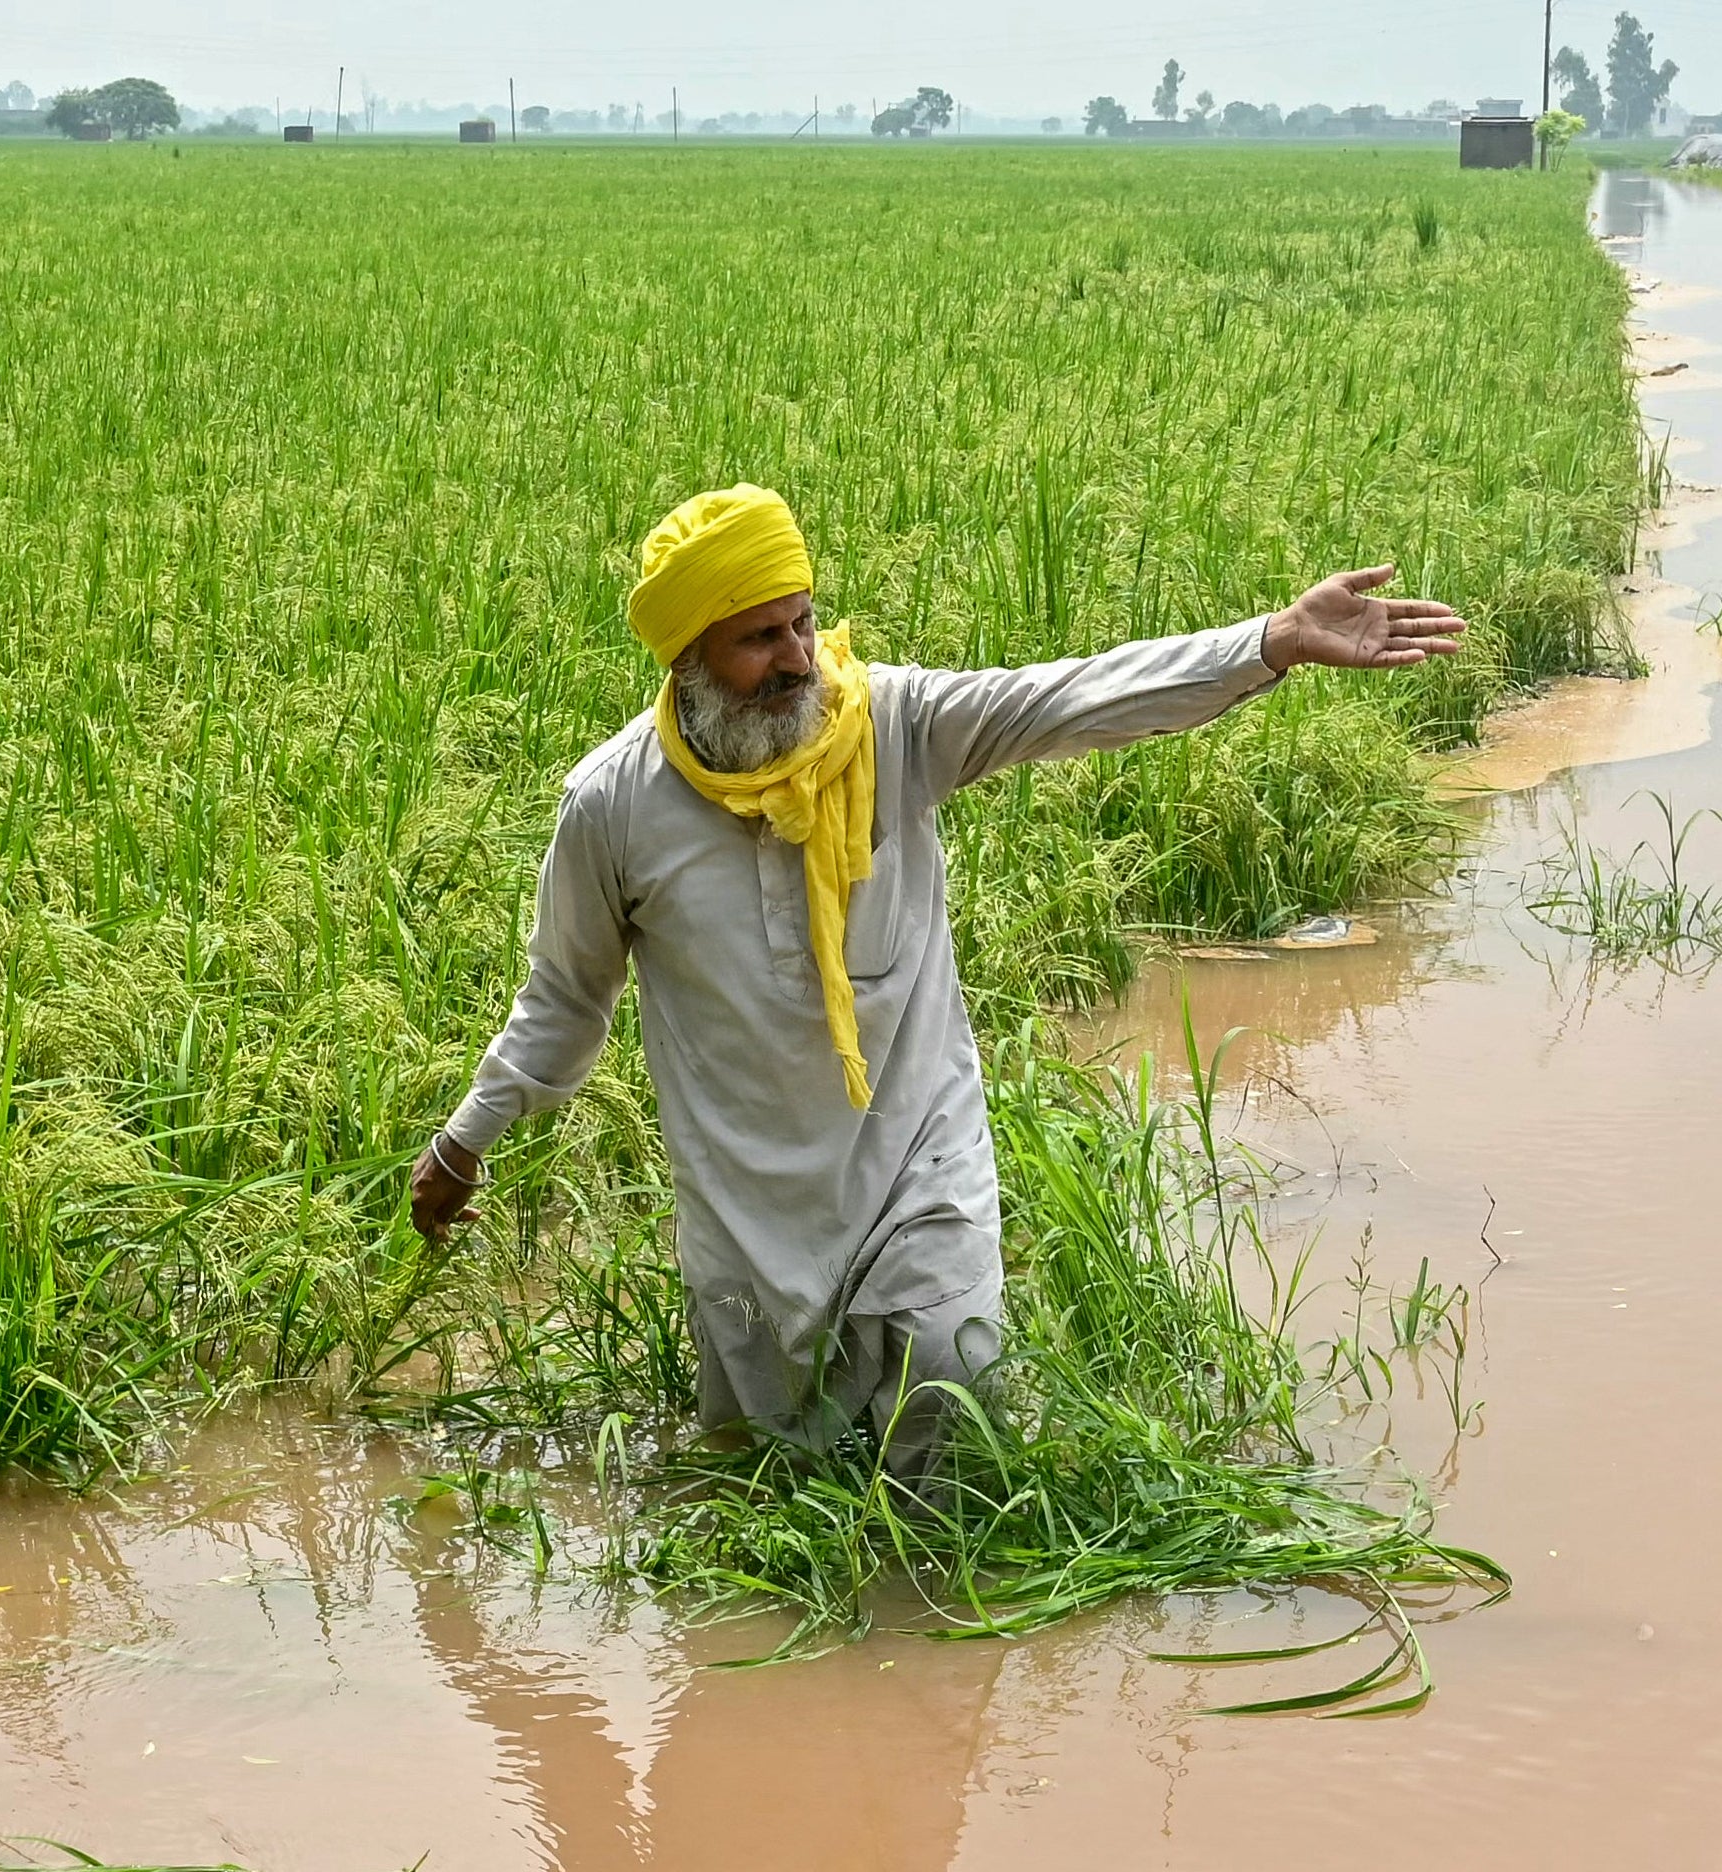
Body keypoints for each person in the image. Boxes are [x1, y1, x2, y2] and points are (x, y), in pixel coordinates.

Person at [407, 483, 1463, 1473]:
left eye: (801, 622)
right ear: (687, 655)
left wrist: (1269, 642)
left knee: (951, 1428)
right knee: (767, 1488)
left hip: (917, 1164)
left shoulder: (893, 727)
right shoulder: (611, 807)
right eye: (758, 638)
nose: (796, 659)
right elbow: (563, 1002)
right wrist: (465, 1140)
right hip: (744, 1208)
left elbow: (1068, 699)